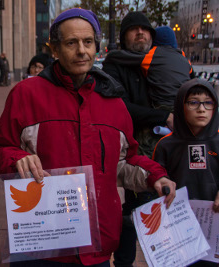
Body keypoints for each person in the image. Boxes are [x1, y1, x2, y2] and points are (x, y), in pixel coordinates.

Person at [0, 8, 176, 267]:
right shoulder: (26, 94)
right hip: (40, 244)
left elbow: (123, 163)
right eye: (71, 43)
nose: (81, 51)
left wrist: (156, 176)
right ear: (55, 49)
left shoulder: (114, 104)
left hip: (95, 244)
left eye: (88, 42)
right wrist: (16, 159)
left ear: (96, 47)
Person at [102, 12, 173, 266]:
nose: (140, 33)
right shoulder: (114, 65)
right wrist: (163, 116)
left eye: (145, 29)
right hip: (137, 150)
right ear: (124, 37)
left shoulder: (160, 63)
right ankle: (124, 262)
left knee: (170, 207)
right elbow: (121, 108)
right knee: (134, 212)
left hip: (170, 148)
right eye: (134, 29)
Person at [153, 78, 219, 267]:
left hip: (214, 226)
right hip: (178, 227)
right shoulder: (166, 144)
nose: (201, 109)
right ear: (181, 106)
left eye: (208, 102)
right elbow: (156, 178)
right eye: (193, 102)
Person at [104, 26, 194, 113]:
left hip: (164, 105)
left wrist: (111, 55)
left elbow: (127, 57)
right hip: (183, 103)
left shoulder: (153, 55)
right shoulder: (184, 58)